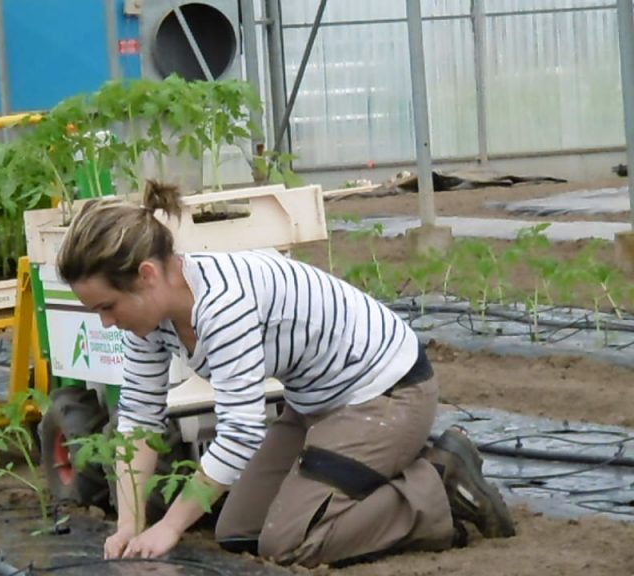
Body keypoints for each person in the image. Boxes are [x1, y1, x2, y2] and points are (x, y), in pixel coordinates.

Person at [55, 181, 516, 567]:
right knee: (239, 532)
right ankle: (369, 478)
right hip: (316, 403)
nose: (106, 323)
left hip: (387, 393)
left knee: (290, 542)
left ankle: (436, 483)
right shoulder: (150, 322)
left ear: (148, 274)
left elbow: (240, 432)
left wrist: (170, 527)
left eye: (107, 307)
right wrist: (130, 527)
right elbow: (139, 421)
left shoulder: (222, 305)